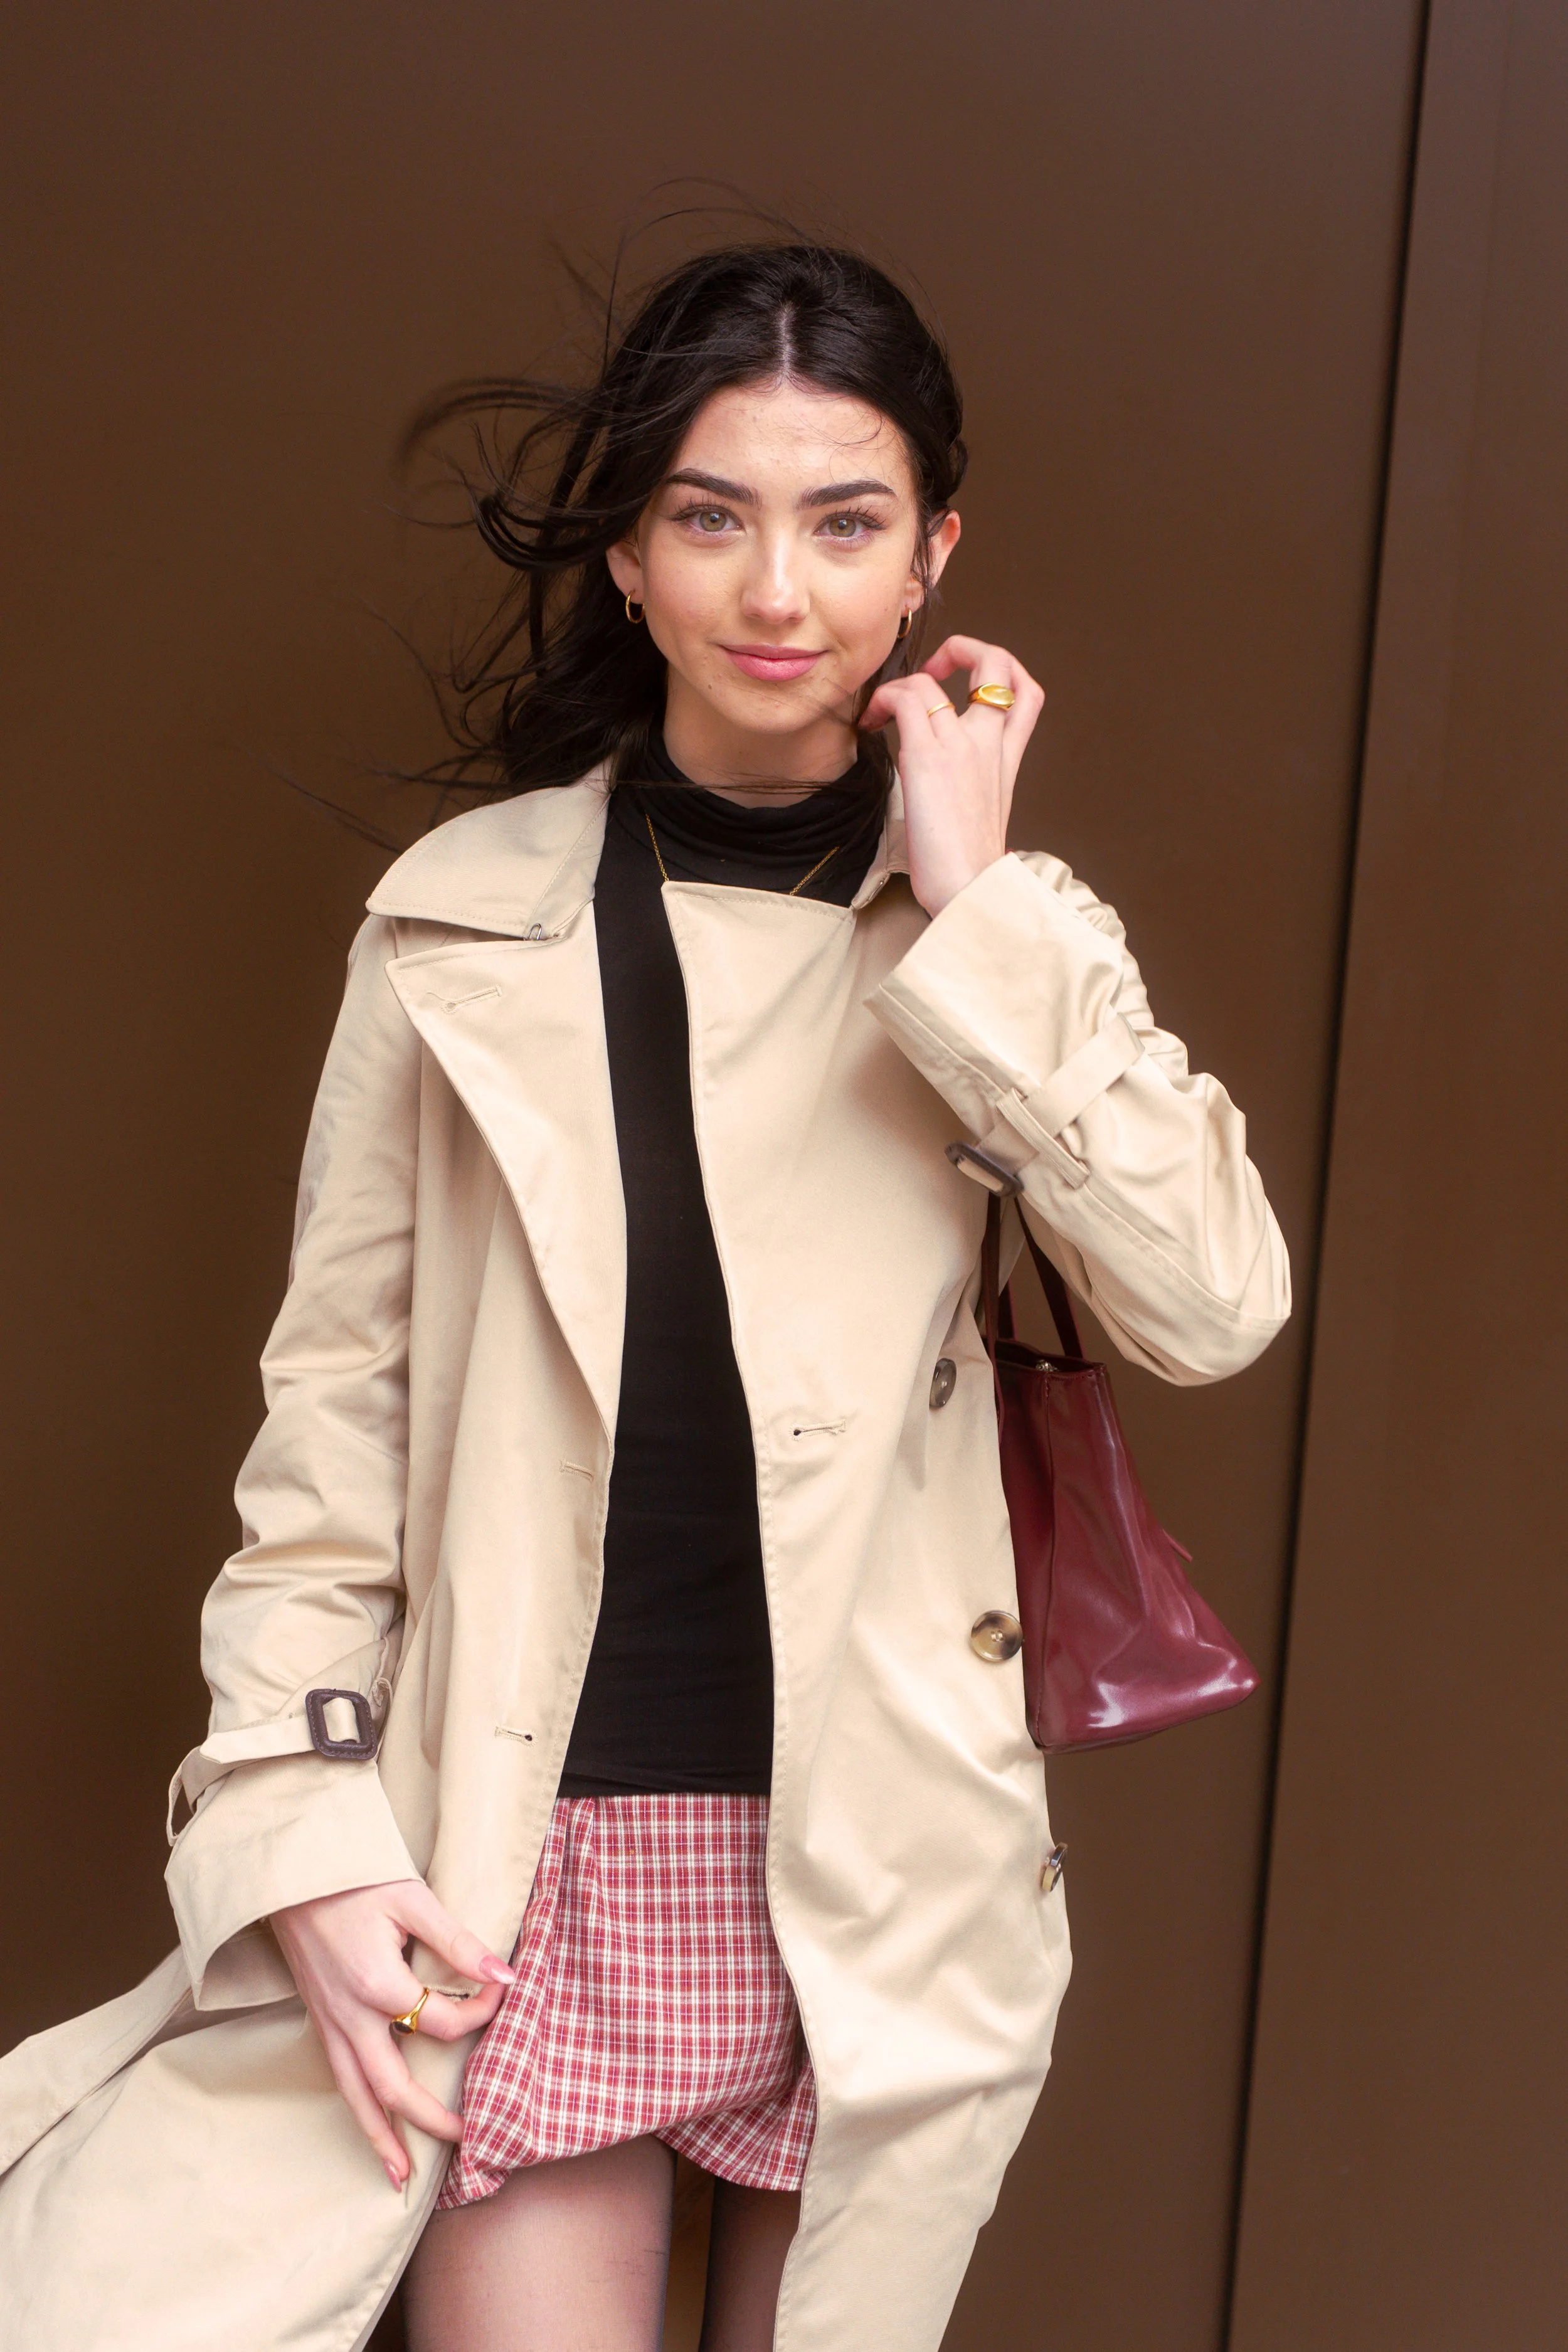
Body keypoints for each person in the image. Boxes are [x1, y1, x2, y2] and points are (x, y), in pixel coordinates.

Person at [0, 242, 1290, 2352]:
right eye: (711, 515)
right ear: (625, 551)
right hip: (522, 1846)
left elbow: (1211, 1298)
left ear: (932, 556)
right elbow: (329, 1439)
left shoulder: (994, 940)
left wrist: (977, 903)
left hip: (878, 1860)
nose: (777, 589)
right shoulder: (458, 924)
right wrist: (293, 1825)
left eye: (844, 522)